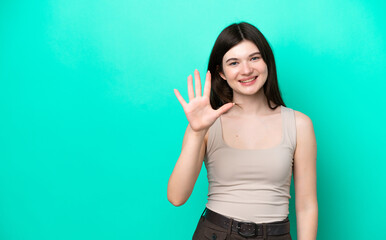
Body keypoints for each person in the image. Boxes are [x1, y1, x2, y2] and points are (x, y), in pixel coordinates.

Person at [167, 22, 318, 240]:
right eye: (233, 62)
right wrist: (196, 131)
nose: (246, 70)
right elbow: (176, 197)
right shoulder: (206, 124)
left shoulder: (299, 124)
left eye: (254, 58)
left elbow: (306, 205)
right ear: (221, 73)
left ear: (267, 62)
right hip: (216, 233)